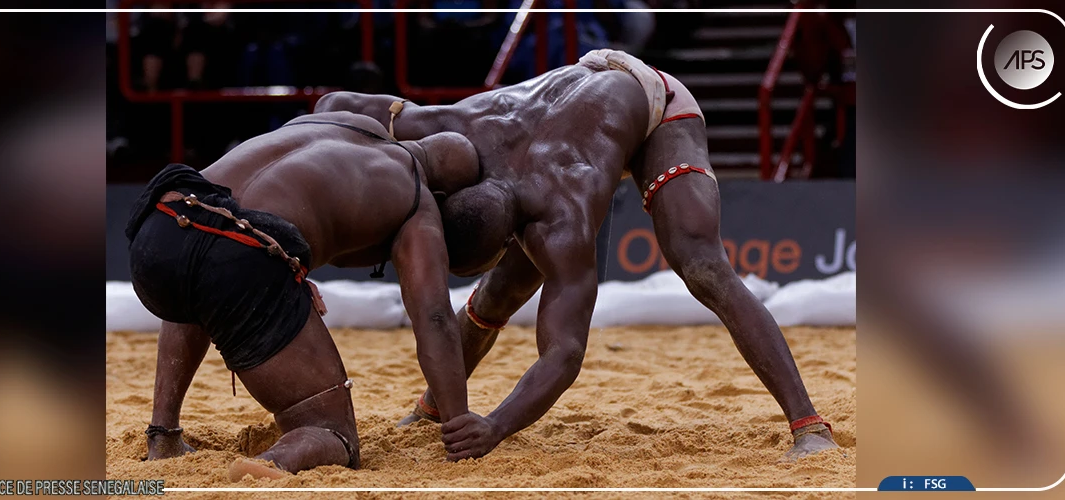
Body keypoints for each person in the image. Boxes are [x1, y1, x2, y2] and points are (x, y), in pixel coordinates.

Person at [315, 49, 839, 462]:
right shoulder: (453, 126)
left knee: (701, 264)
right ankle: (435, 408)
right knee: (497, 294)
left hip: (656, 105)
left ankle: (808, 424)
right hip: (572, 100)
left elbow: (564, 354)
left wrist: (495, 426)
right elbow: (331, 106)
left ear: (511, 236)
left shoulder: (561, 217)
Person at [126, 111, 483, 479]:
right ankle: (272, 463)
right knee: (335, 434)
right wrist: (458, 425)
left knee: (200, 272)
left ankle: (163, 436)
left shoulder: (346, 118)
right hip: (236, 259)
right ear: (443, 195)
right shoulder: (417, 199)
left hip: (163, 219)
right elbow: (435, 316)